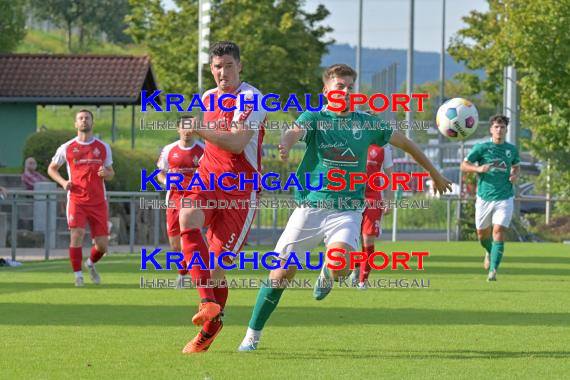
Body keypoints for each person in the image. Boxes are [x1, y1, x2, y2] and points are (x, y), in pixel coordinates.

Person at [238, 63, 452, 351]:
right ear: (326, 91)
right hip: (311, 208)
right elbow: (294, 131)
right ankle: (252, 335)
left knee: (341, 263)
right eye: (340, 86)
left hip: (347, 211)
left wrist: (435, 173)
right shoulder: (315, 117)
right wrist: (286, 144)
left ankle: (328, 271)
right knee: (280, 275)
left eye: (350, 86)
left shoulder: (367, 122)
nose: (346, 91)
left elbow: (407, 144)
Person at [179, 41, 267, 353]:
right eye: (217, 66)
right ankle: (207, 303)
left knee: (215, 269)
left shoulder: (251, 98)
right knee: (186, 217)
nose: (222, 72)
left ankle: (211, 326)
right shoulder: (207, 97)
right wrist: (189, 134)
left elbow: (236, 143)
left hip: (240, 192)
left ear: (240, 66)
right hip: (207, 179)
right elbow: (208, 139)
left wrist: (199, 130)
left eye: (228, 65)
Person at [48, 109, 114, 287]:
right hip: (77, 199)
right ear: (75, 124)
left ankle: (90, 264)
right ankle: (78, 275)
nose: (84, 121)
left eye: (87, 118)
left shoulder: (102, 147)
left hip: (99, 201)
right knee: (76, 235)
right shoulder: (67, 147)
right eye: (80, 118)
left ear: (92, 122)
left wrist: (106, 173)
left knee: (102, 246)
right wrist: (63, 182)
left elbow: (111, 172)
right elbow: (51, 168)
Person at [460, 114, 520, 281]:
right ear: (491, 129)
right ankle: (489, 251)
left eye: (502, 127)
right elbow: (464, 166)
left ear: (506, 130)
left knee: (498, 231)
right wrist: (478, 169)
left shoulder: (511, 150)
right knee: (482, 235)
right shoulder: (481, 148)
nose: (499, 130)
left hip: (505, 197)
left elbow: (516, 167)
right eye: (496, 127)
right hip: (484, 197)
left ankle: (493, 271)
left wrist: (515, 176)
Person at [156, 116, 204, 288]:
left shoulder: (203, 150)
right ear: (178, 129)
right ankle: (184, 272)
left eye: (190, 127)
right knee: (175, 245)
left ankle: (190, 276)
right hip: (174, 201)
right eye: (183, 127)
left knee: (188, 241)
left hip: (193, 201)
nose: (187, 131)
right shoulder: (169, 150)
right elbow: (160, 173)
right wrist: (165, 181)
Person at [349, 144, 394, 289]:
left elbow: (390, 176)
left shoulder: (383, 149)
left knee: (367, 238)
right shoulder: (352, 143)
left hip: (373, 200)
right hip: (353, 198)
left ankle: (363, 280)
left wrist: (388, 201)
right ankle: (356, 267)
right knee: (351, 238)